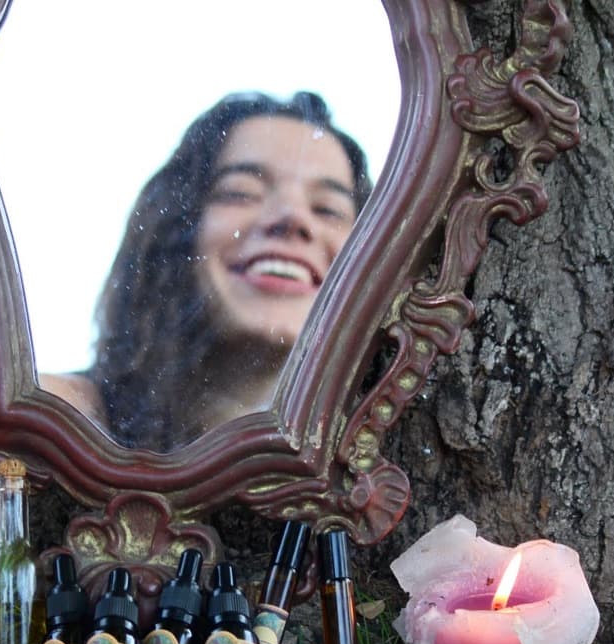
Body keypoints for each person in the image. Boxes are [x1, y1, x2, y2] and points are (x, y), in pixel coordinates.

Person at [44, 91, 372, 450]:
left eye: (328, 209)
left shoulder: (380, 467)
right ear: (176, 229)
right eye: (242, 192)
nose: (293, 217)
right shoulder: (55, 422)